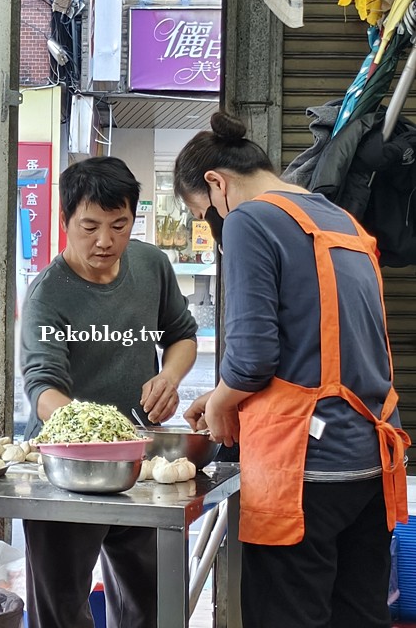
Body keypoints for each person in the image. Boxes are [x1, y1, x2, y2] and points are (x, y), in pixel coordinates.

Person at [173, 112, 409, 628]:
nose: (214, 224)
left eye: (205, 212)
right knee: (358, 616)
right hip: (368, 462)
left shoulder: (249, 219)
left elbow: (254, 358)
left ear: (217, 183)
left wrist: (219, 402)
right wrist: (222, 393)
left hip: (304, 472)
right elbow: (312, 344)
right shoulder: (339, 218)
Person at [20, 156, 198, 628]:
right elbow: (43, 384)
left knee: (152, 604)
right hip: (66, 469)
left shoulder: (151, 265)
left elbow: (182, 334)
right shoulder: (48, 295)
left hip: (140, 464)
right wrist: (93, 431)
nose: (105, 241)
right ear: (65, 222)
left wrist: (169, 378)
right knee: (61, 609)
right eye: (90, 226)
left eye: (119, 225)